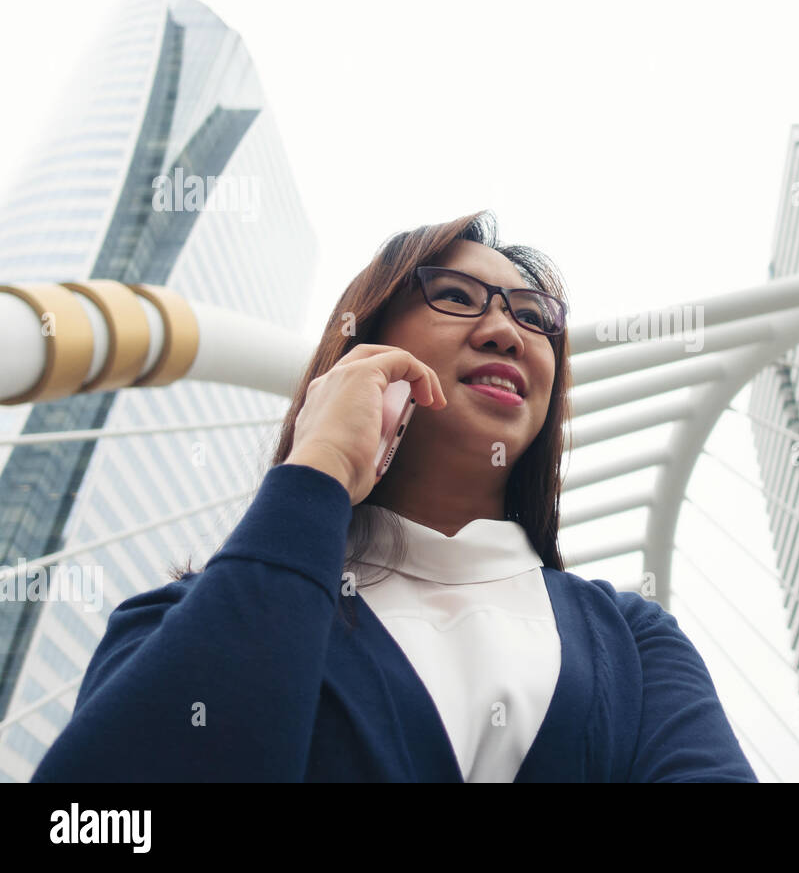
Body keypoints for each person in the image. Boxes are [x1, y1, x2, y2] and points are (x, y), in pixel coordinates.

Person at [30, 211, 757, 783]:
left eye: (535, 316)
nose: (506, 330)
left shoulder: (633, 640)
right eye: (456, 296)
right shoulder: (181, 620)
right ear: (368, 345)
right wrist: (318, 466)